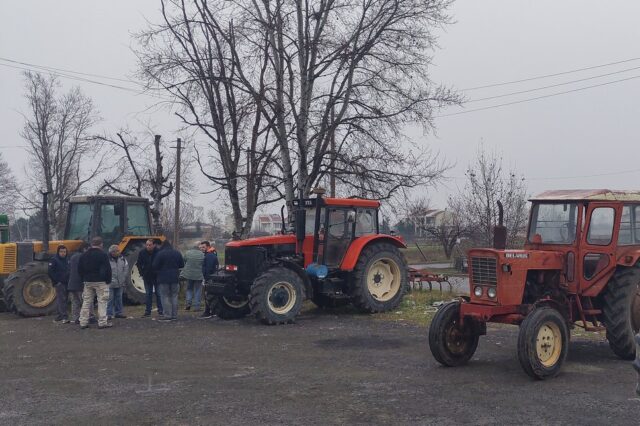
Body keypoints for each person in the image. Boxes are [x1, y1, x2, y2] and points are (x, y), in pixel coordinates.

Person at [78, 236, 112, 329]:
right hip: (101, 281)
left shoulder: (84, 255)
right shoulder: (103, 255)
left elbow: (79, 269)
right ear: (101, 244)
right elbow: (108, 269)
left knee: (86, 302)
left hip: (88, 281)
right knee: (102, 302)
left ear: (92, 244)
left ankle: (83, 322)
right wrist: (108, 280)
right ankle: (102, 322)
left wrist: (83, 279)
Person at [152, 240, 185, 322]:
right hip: (175, 278)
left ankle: (167, 315)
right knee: (174, 296)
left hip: (163, 279)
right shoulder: (177, 253)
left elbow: (154, 266)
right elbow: (182, 265)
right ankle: (174, 315)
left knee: (165, 296)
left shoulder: (160, 254)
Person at [67, 241, 94, 324]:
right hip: (81, 284)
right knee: (86, 301)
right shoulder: (84, 257)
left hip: (71, 284)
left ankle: (76, 318)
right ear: (84, 249)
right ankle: (89, 317)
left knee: (75, 302)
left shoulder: (73, 257)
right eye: (89, 249)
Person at [136, 239, 163, 317]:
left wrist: (159, 272)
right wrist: (142, 273)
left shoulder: (159, 252)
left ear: (154, 245)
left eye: (150, 245)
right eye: (147, 245)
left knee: (159, 294)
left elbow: (161, 263)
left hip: (157, 276)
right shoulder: (142, 253)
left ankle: (161, 310)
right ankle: (148, 311)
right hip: (147, 276)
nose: (148, 246)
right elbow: (139, 263)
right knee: (148, 294)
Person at [48, 245, 70, 323]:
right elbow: (50, 272)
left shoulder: (67, 259)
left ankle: (62, 315)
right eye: (61, 252)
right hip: (60, 283)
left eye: (64, 252)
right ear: (58, 252)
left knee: (65, 300)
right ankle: (63, 316)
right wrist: (57, 281)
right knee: (61, 300)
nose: (63, 253)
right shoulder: (54, 260)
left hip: (67, 282)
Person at [106, 245, 128, 320]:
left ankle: (119, 313)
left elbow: (126, 269)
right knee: (110, 299)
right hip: (110, 283)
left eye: (118, 251)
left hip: (120, 283)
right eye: (115, 251)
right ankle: (108, 314)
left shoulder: (123, 259)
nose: (117, 252)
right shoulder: (107, 260)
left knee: (119, 298)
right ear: (111, 252)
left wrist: (123, 278)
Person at [180, 243, 204, 311]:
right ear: (198, 248)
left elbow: (184, 260)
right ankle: (197, 307)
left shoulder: (188, 253)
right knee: (198, 290)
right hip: (198, 275)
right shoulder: (202, 254)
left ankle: (188, 305)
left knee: (189, 289)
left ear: (192, 247)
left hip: (189, 274)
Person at [199, 241, 219, 319]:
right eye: (201, 247)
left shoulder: (209, 256)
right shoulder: (211, 254)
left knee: (208, 294)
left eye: (203, 247)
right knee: (211, 294)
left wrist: (206, 278)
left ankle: (208, 312)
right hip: (212, 277)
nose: (202, 249)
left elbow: (209, 268)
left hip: (210, 278)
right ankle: (212, 312)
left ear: (208, 246)